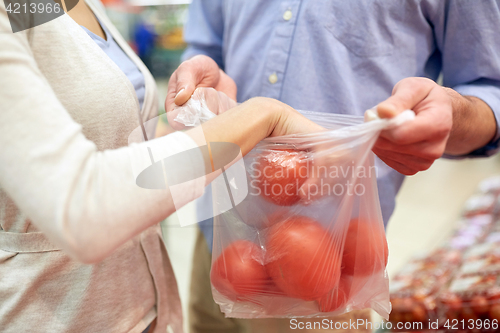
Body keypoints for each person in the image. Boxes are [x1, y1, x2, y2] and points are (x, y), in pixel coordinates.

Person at [165, 1, 500, 332]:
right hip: (222, 231)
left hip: (327, 262)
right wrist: (203, 83)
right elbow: (206, 46)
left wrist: (455, 116)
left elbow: (491, 89)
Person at [0, 1, 325, 332]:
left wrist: (203, 118)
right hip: (53, 315)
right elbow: (80, 206)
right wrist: (259, 116)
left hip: (139, 309)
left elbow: (108, 145)